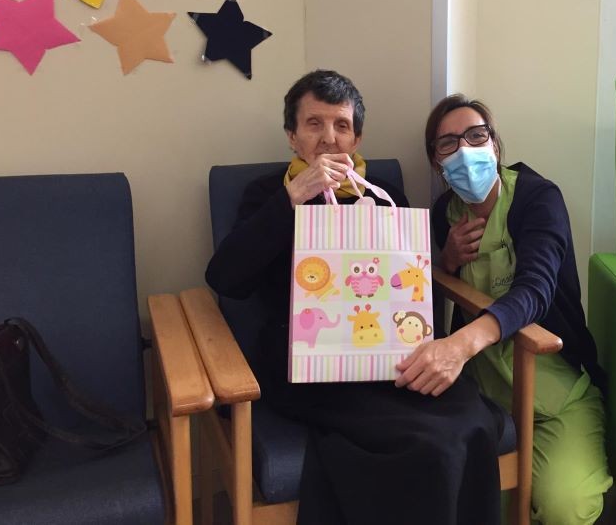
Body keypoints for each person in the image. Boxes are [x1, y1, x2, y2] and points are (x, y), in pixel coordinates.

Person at [205, 71, 502, 525]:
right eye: (314, 124)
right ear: (292, 136)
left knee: (471, 421)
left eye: (341, 126)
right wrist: (292, 199)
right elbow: (226, 278)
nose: (329, 138)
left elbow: (411, 284)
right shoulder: (266, 194)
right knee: (424, 443)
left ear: (357, 138)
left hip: (391, 356)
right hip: (309, 364)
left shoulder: (386, 197)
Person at [405, 93, 616, 525]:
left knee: (565, 507)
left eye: (476, 136)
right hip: (481, 393)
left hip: (556, 388)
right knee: (478, 504)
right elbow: (421, 295)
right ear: (436, 163)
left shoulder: (537, 199)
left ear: (495, 144)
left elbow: (536, 289)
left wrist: (461, 345)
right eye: (448, 143)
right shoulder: (443, 214)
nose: (464, 151)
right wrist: (447, 260)